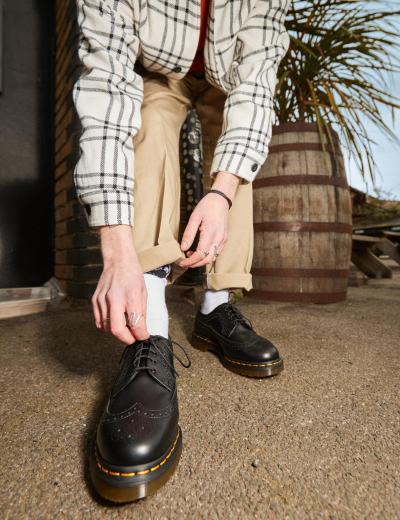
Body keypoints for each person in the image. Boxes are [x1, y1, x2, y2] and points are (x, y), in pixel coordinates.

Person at [73, 0, 291, 503]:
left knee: (235, 146)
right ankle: (149, 326)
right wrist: (118, 248)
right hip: (158, 68)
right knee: (148, 117)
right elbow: (106, 89)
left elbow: (256, 90)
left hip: (227, 78)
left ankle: (215, 308)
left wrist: (221, 194)